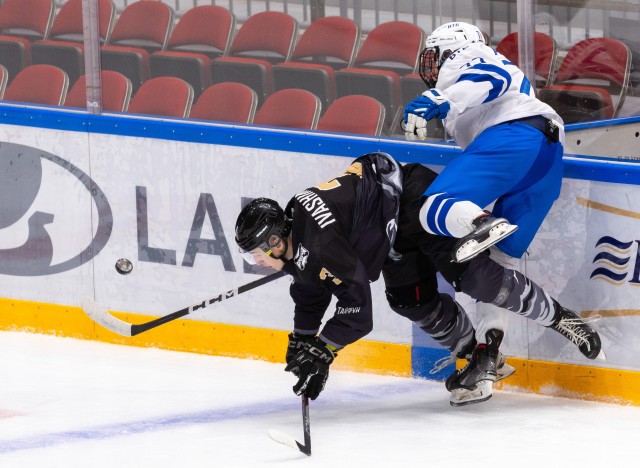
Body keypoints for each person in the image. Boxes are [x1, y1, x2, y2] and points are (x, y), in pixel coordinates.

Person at [234, 152, 602, 406]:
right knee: (410, 300)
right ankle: (479, 356)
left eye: (257, 251)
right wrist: (302, 340)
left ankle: (560, 317)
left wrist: (325, 350)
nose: (257, 260)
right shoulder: (298, 235)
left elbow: (357, 311)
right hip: (388, 233)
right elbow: (310, 287)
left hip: (412, 202)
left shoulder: (321, 240)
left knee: (477, 279)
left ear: (275, 240)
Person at [402, 21, 570, 401]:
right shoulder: (473, 77)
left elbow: (490, 77)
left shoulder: (470, 57)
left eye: (434, 54)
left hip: (515, 136)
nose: (429, 65)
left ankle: (482, 221)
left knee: (433, 211)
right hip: (545, 156)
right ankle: (485, 361)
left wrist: (441, 100)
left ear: (451, 48)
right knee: (498, 267)